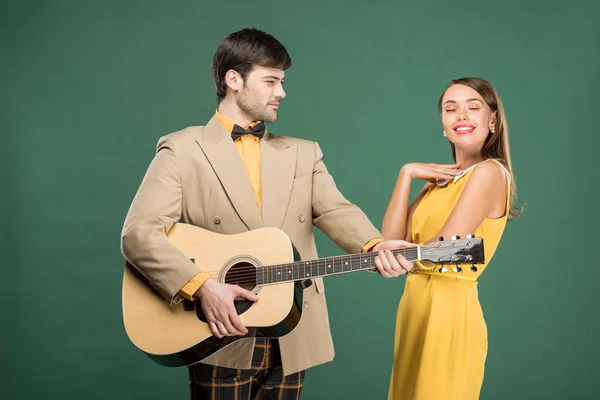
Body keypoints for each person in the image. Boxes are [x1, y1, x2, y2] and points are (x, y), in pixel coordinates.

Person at [121, 28, 413, 400]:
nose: (282, 92)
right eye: (271, 81)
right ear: (234, 80)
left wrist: (375, 244)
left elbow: (337, 209)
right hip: (219, 331)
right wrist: (201, 286)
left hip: (293, 328)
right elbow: (139, 234)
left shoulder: (304, 153)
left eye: (282, 81)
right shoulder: (182, 149)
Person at [382, 77, 522, 400]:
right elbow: (389, 241)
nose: (460, 116)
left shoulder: (491, 172)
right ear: (442, 123)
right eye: (450, 109)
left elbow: (444, 248)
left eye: (473, 107)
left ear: (492, 120)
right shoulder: (440, 181)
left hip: (449, 311)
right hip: (414, 307)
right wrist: (407, 174)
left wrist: (407, 252)